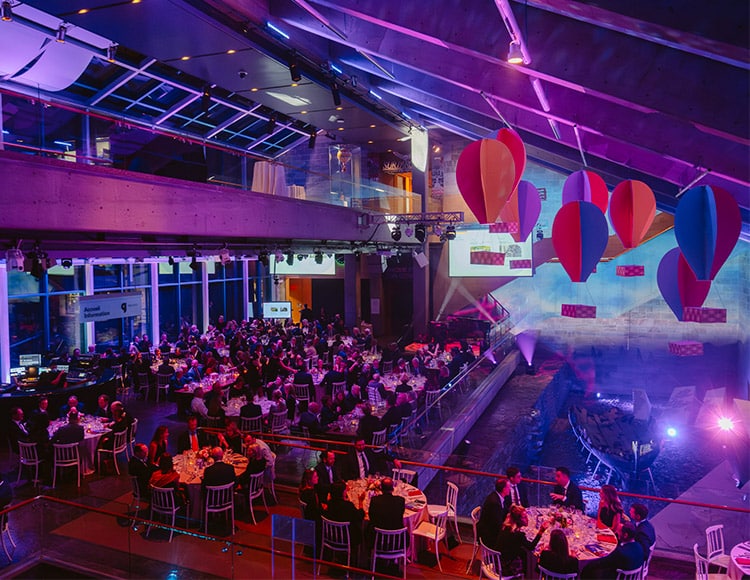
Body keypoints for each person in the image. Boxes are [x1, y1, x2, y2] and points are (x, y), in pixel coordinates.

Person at [495, 505, 549, 575]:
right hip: (504, 568)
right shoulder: (518, 534)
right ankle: (528, 575)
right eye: (524, 517)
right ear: (518, 519)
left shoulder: (506, 527)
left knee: (523, 552)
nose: (527, 519)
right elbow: (531, 547)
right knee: (528, 554)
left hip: (497, 562)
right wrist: (541, 531)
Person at [324, 481, 365, 550]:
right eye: (345, 490)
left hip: (331, 536)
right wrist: (360, 501)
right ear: (342, 493)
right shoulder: (348, 506)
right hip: (346, 538)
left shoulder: (330, 503)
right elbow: (361, 515)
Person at [366, 477, 405, 546]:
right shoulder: (400, 501)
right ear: (393, 489)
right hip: (397, 540)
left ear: (381, 489)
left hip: (377, 540)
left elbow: (371, 517)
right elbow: (400, 515)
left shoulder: (375, 500)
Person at [477, 478, 511, 547]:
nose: (510, 489)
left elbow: (504, 511)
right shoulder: (494, 503)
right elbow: (497, 525)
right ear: (504, 489)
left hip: (491, 529)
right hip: (489, 536)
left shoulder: (496, 496)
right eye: (508, 487)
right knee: (512, 539)